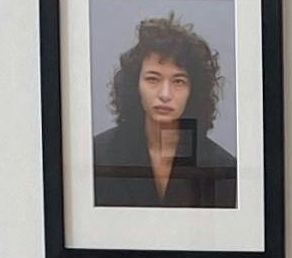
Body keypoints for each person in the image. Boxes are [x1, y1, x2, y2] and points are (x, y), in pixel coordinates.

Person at [93, 14, 238, 209]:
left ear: (193, 91)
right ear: (134, 84)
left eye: (178, 81)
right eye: (153, 79)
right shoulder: (98, 155)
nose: (165, 94)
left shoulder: (221, 168)